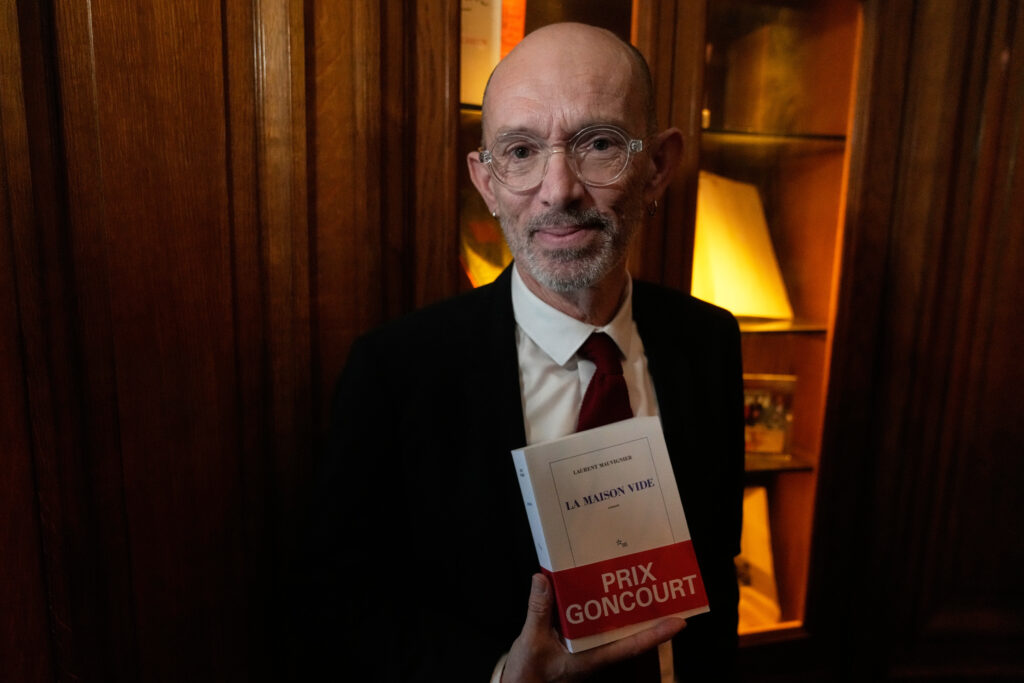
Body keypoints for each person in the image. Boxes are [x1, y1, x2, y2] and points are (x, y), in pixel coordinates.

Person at [298, 22, 743, 682]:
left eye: (598, 144)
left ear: (658, 167)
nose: (558, 190)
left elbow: (716, 574)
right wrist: (502, 677)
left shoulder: (708, 341)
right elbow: (340, 612)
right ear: (485, 181)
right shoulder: (396, 373)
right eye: (521, 150)